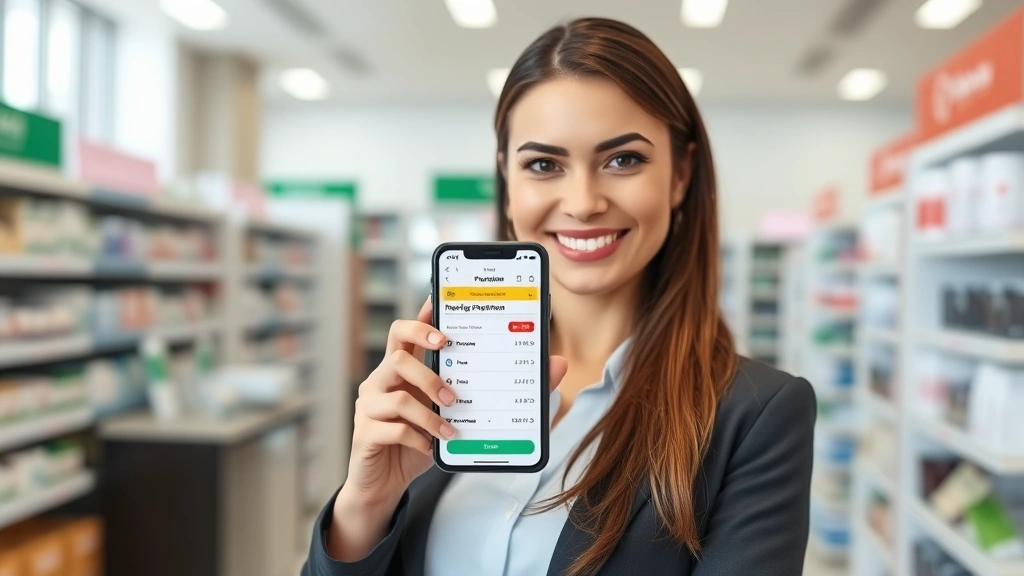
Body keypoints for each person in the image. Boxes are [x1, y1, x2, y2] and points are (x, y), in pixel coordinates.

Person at [303, 17, 815, 576]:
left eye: (623, 159)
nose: (583, 202)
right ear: (508, 180)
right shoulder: (440, 381)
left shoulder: (754, 416)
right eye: (544, 165)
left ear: (680, 174)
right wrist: (366, 504)